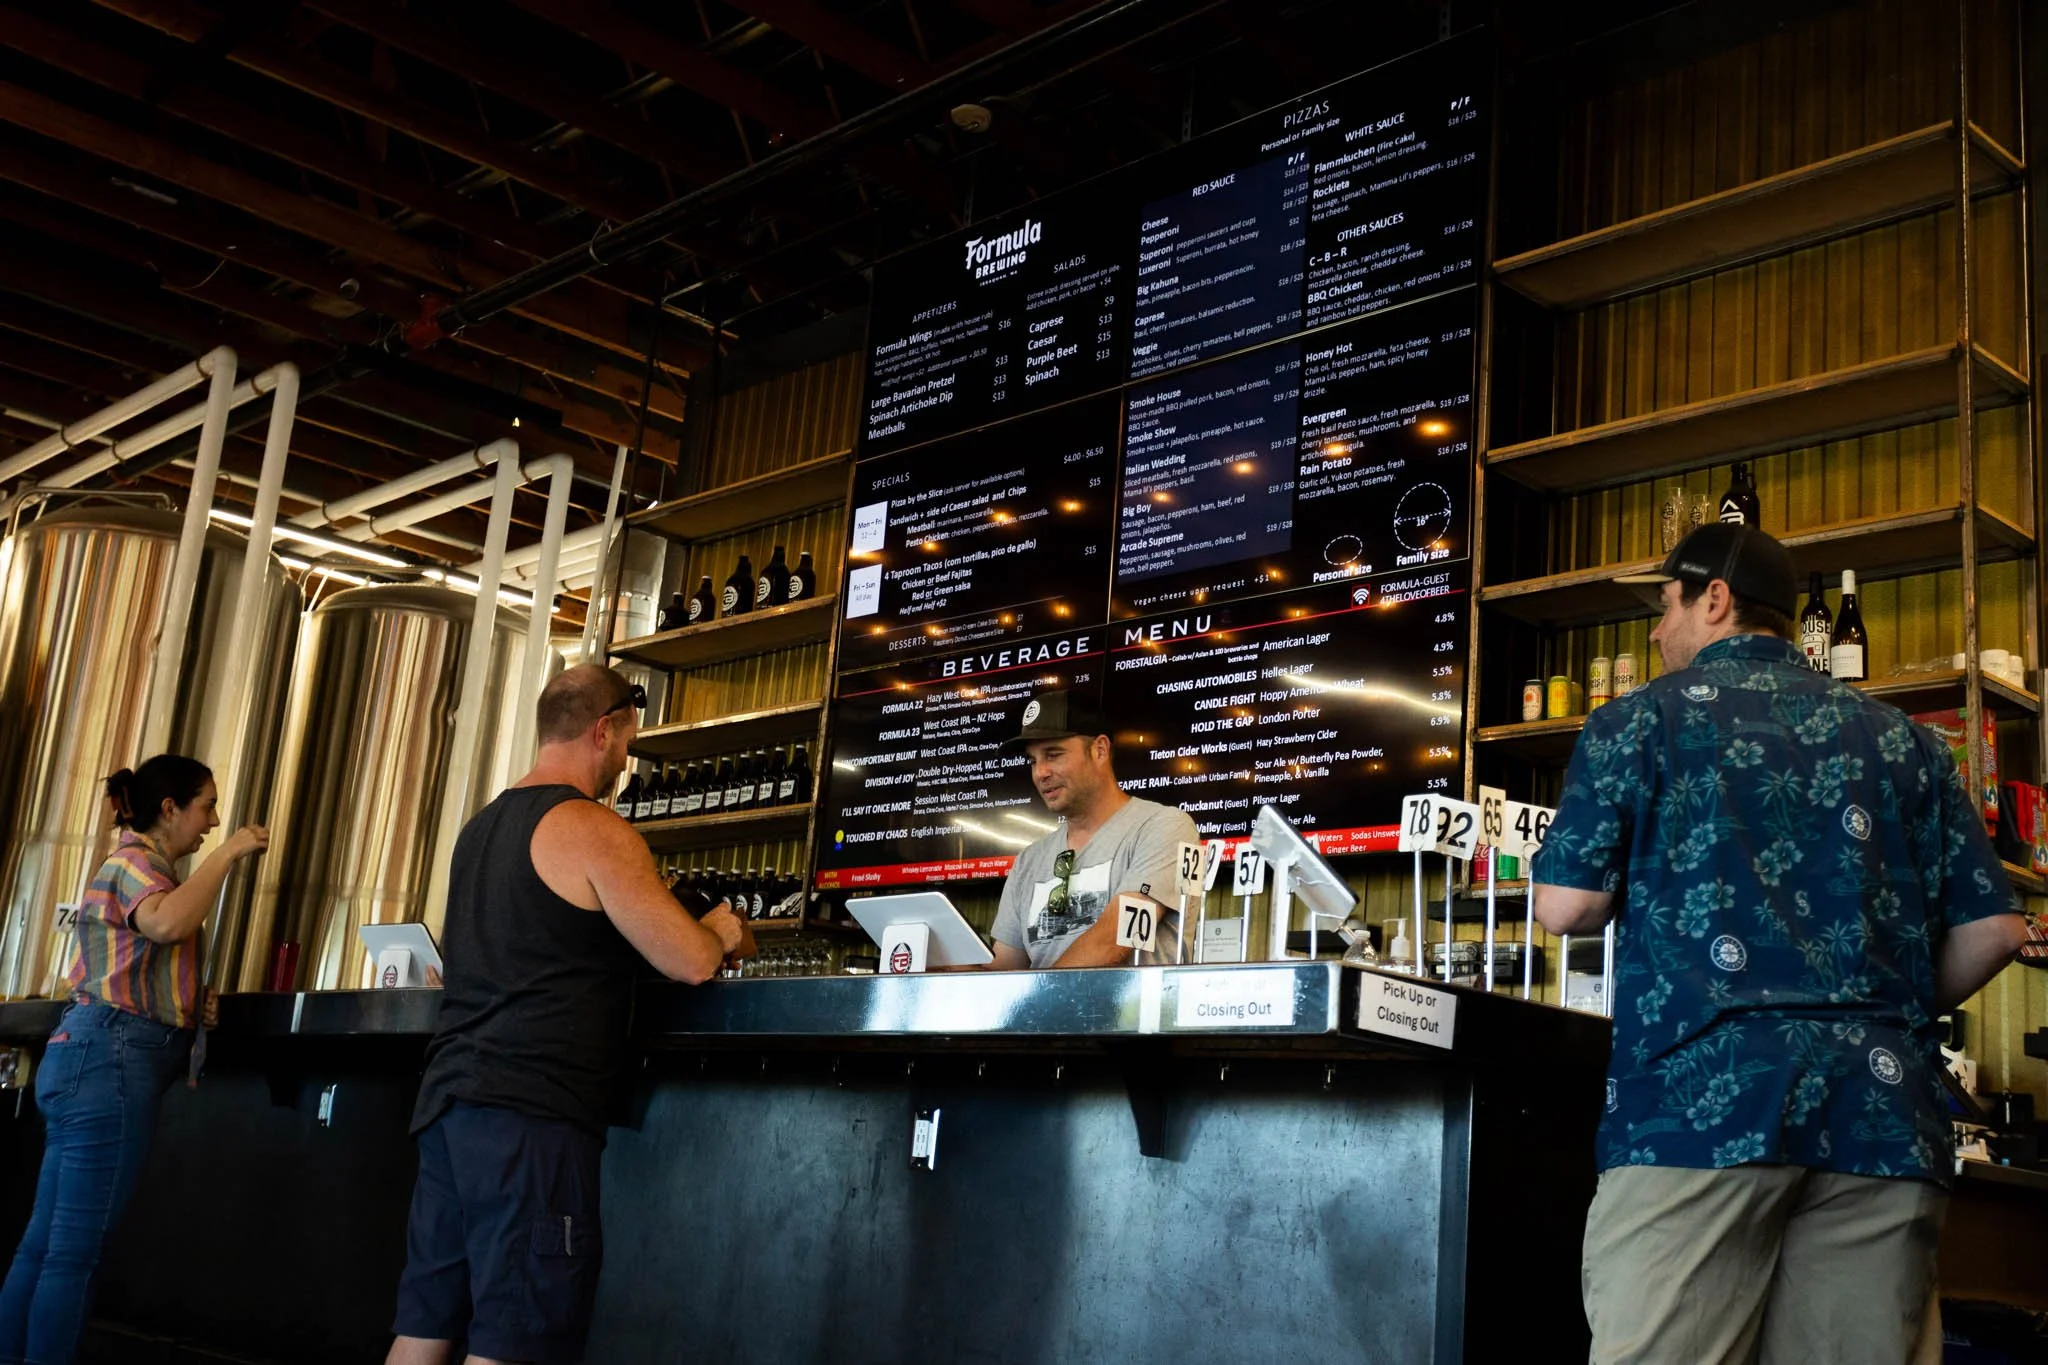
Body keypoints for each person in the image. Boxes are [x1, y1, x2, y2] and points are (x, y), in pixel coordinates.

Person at [1530, 524, 2029, 1365]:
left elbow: (1566, 906)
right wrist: (1882, 1004)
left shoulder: (1637, 723)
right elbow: (1997, 930)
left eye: (1666, 606)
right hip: (1879, 1118)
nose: (1657, 633)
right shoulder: (1906, 740)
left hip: (1699, 1114)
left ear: (1714, 599)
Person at [387, 664, 752, 1365]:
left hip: (450, 1106)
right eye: (626, 743)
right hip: (531, 1118)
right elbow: (691, 960)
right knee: (515, 1337)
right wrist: (723, 932)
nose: (624, 760)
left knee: (424, 1327)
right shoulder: (591, 827)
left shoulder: (480, 830)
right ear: (602, 729)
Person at [0, 755, 268, 1365]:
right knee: (74, 1255)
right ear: (170, 809)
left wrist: (185, 1003)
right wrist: (229, 854)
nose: (213, 821)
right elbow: (169, 923)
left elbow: (134, 960)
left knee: (44, 1248)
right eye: (206, 806)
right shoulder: (138, 862)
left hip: (87, 1054)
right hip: (110, 1064)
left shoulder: (132, 865)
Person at [987, 690, 1200, 969]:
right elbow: (1004, 968)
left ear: (1099, 750)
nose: (1041, 772)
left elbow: (1112, 942)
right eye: (1033, 760)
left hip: (1133, 1013)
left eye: (1054, 754)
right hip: (1041, 1010)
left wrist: (1035, 1006)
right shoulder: (1029, 860)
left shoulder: (1166, 827)